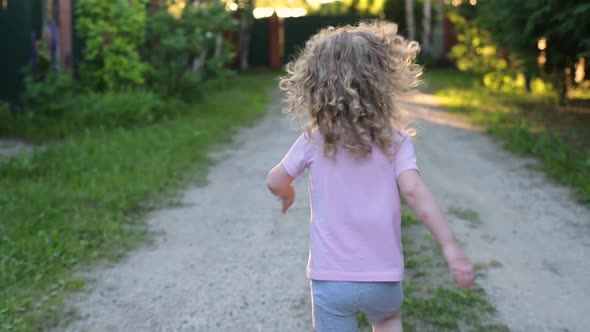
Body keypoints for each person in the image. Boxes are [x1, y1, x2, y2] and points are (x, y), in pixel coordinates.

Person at [266, 21, 475, 332]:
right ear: (382, 80)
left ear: (315, 83)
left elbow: (274, 180)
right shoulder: (396, 139)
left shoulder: (314, 139)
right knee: (389, 322)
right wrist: (449, 245)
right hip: (383, 277)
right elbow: (414, 190)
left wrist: (286, 191)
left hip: (331, 278)